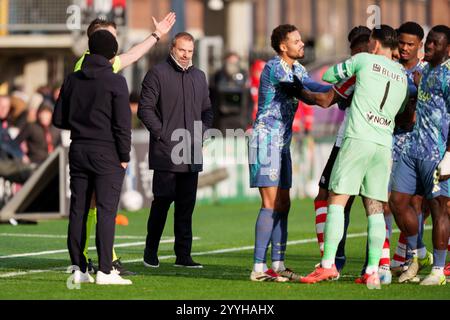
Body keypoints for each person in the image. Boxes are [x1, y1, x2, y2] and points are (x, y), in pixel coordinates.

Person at [300, 25, 408, 288]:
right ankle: (373, 270)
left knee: (336, 199)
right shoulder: (402, 75)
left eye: (371, 41)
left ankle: (328, 265)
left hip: (357, 138)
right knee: (374, 209)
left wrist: (351, 66)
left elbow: (326, 74)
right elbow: (401, 108)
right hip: (383, 144)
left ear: (376, 43)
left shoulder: (363, 60)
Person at [75, 13, 176, 276]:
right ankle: (88, 260)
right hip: (97, 147)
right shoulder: (86, 69)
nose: (116, 43)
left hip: (93, 146)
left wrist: (156, 36)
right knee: (94, 206)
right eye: (111, 37)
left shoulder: (102, 65)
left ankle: (99, 259)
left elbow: (132, 56)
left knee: (96, 205)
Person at [248, 24, 331, 282]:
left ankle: (278, 264)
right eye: (296, 41)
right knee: (270, 204)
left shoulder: (299, 68)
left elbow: (309, 84)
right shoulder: (274, 67)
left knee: (284, 204)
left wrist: (338, 89)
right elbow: (304, 92)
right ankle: (258, 268)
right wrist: (336, 93)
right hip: (265, 142)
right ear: (283, 46)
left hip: (282, 144)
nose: (302, 44)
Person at [53, 30, 132, 285]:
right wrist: (124, 155)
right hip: (107, 152)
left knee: (78, 210)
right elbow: (123, 124)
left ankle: (79, 269)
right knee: (106, 212)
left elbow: (58, 119)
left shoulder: (72, 79)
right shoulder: (115, 82)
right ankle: (106, 271)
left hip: (78, 149)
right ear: (112, 54)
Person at [139, 32, 213, 269]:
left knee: (186, 206)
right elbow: (145, 109)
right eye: (182, 50)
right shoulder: (157, 74)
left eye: (190, 51)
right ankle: (150, 251)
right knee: (161, 204)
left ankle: (183, 255)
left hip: (191, 152)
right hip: (166, 153)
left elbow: (207, 111)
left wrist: (201, 134)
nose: (186, 55)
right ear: (172, 48)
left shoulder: (200, 77)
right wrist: (162, 134)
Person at [389, 25, 450, 286]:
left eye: (435, 44)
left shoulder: (448, 75)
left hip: (437, 153)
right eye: (429, 43)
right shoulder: (424, 71)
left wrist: (449, 154)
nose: (430, 47)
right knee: (397, 201)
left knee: (439, 210)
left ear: (447, 49)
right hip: (412, 149)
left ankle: (437, 270)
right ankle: (418, 254)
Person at [15, 101, 61, 166]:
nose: (44, 116)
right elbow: (15, 143)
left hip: (52, 163)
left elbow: (60, 147)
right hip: (34, 162)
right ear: (38, 114)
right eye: (42, 113)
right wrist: (22, 155)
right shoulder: (31, 127)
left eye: (47, 114)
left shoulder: (56, 129)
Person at [0, 94, 32, 184]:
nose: (3, 109)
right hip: (4, 163)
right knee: (27, 173)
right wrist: (20, 155)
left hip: (6, 161)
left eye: (6, 107)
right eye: (1, 106)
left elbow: (10, 142)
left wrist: (22, 154)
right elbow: (4, 145)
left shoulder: (5, 123)